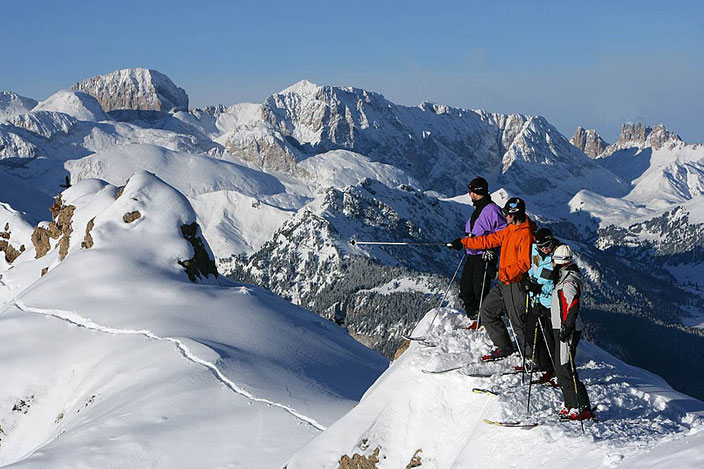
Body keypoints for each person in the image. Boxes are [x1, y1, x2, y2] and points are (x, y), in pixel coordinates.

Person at [449, 197, 536, 360]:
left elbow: (524, 264)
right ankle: (504, 347)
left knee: (519, 323)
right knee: (487, 311)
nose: (504, 216)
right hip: (504, 282)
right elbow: (490, 239)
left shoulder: (526, 235)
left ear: (514, 215)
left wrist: (499, 274)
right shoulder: (510, 229)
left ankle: (534, 359)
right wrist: (464, 242)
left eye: (506, 213)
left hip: (515, 284)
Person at [550, 244, 593, 420]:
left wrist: (566, 329)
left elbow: (572, 307)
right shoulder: (564, 276)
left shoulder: (568, 281)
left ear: (559, 262)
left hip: (566, 329)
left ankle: (579, 407)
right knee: (562, 368)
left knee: (565, 368)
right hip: (562, 327)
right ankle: (572, 405)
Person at [458, 177, 507, 326]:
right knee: (466, 288)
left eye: (470, 191)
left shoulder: (492, 210)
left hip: (484, 255)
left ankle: (484, 320)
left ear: (475, 192)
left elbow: (503, 233)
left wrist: (492, 250)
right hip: (472, 253)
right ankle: (475, 317)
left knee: (480, 290)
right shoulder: (478, 208)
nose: (469, 194)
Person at [524, 228, 560, 384]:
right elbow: (533, 269)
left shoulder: (557, 258)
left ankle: (558, 370)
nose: (545, 249)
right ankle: (545, 366)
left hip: (550, 303)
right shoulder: (534, 251)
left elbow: (558, 284)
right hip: (535, 300)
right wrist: (528, 281)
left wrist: (540, 288)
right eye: (541, 246)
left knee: (551, 338)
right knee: (532, 334)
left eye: (547, 245)